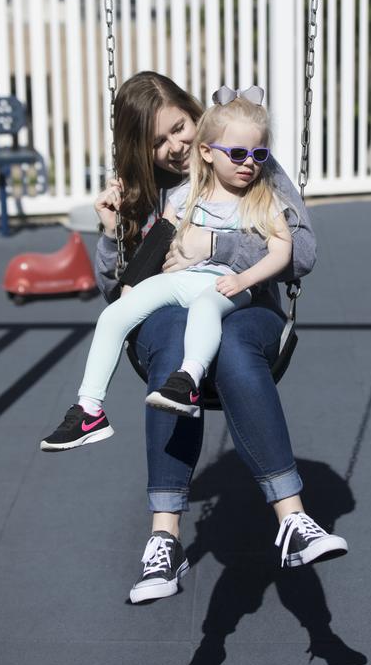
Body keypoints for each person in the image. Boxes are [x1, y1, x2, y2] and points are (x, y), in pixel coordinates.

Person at [43, 72, 348, 603]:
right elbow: (117, 290)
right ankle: (164, 539)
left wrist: (217, 243)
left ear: (198, 121)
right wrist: (110, 232)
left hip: (247, 305)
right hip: (168, 307)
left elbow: (301, 254)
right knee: (167, 340)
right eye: (158, 141)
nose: (174, 147)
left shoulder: (249, 159)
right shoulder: (148, 189)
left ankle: (293, 519)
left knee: (229, 345)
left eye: (180, 128)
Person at [40, 88, 293, 429]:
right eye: (236, 153)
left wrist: (242, 276)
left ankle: (187, 380)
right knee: (114, 315)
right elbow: (160, 236)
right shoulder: (186, 194)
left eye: (259, 153)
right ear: (208, 152)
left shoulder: (261, 196)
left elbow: (287, 249)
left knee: (205, 309)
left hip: (228, 283)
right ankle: (89, 408)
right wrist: (129, 287)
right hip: (182, 280)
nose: (249, 161)